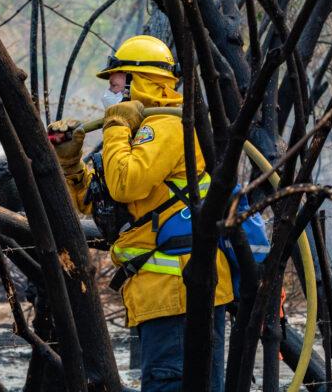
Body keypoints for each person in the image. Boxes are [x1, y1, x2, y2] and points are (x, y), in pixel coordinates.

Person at [48, 35, 234, 392]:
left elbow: (126, 183)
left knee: (170, 384)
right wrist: (71, 161)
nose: (111, 89)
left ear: (139, 80)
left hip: (177, 290)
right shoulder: (138, 129)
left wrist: (115, 124)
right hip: (165, 291)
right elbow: (100, 200)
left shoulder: (164, 126)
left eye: (116, 81)